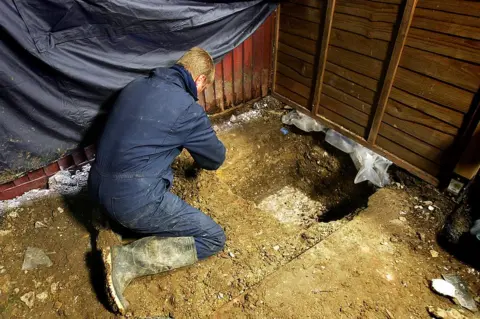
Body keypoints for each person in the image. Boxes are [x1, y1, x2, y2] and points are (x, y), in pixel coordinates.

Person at [88, 47, 226, 314]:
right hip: (130, 200)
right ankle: (126, 260)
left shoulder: (135, 86)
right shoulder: (187, 108)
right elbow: (214, 159)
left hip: (95, 186)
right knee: (212, 238)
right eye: (203, 87)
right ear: (199, 81)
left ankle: (109, 220)